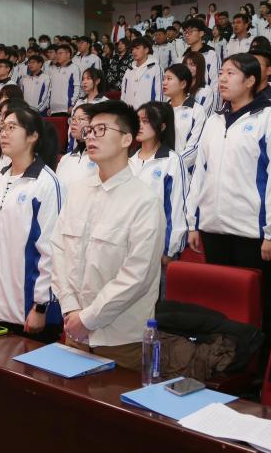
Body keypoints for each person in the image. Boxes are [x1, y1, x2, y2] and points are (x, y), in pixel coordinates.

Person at [185, 54, 271, 329]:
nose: (222, 79)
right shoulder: (214, 121)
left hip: (255, 234)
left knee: (260, 307)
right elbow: (200, 173)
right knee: (222, 304)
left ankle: (262, 353)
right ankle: (225, 353)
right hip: (214, 228)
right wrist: (193, 222)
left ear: (250, 81)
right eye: (221, 73)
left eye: (231, 73)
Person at [51, 99, 165, 370]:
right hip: (74, 332)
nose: (91, 136)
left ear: (126, 139)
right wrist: (70, 308)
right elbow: (58, 249)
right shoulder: (78, 191)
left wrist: (88, 319)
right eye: (89, 130)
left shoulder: (144, 201)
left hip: (120, 341)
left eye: (101, 130)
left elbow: (137, 276)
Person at [0, 106, 63, 341]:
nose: (3, 133)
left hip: (29, 310)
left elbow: (51, 248)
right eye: (2, 128)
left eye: (12, 127)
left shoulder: (46, 182)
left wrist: (41, 306)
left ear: (33, 136)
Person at [130, 101, 189, 262]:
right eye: (137, 120)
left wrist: (170, 250)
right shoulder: (128, 159)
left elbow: (176, 208)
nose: (139, 125)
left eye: (145, 121)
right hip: (126, 245)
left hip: (157, 247)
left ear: (162, 126)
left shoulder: (172, 161)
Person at [54, 103, 98, 191]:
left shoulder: (100, 158)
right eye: (73, 119)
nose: (74, 122)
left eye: (80, 119)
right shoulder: (65, 159)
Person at [120, 36, 162, 108]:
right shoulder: (129, 70)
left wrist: (156, 111)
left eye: (137, 48)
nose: (134, 51)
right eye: (132, 49)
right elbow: (123, 92)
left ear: (146, 50)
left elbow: (160, 93)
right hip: (129, 111)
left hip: (148, 111)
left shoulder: (156, 68)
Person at [182, 19, 220, 85]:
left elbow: (216, 81)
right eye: (185, 32)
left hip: (206, 90)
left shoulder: (211, 54)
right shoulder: (185, 55)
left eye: (190, 31)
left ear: (201, 33)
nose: (187, 35)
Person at [48, 43, 81, 116]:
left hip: (67, 108)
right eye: (57, 53)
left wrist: (72, 104)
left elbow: (77, 88)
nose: (57, 56)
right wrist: (49, 106)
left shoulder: (74, 68)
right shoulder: (53, 69)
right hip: (53, 109)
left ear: (68, 54)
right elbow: (49, 89)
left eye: (60, 53)